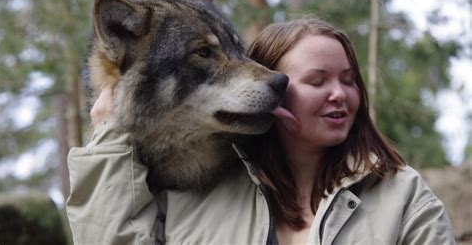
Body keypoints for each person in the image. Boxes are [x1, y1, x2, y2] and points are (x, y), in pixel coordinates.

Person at [66, 16, 455, 244]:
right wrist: (111, 139)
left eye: (350, 80)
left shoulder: (403, 194)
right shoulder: (191, 192)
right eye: (317, 81)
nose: (340, 94)